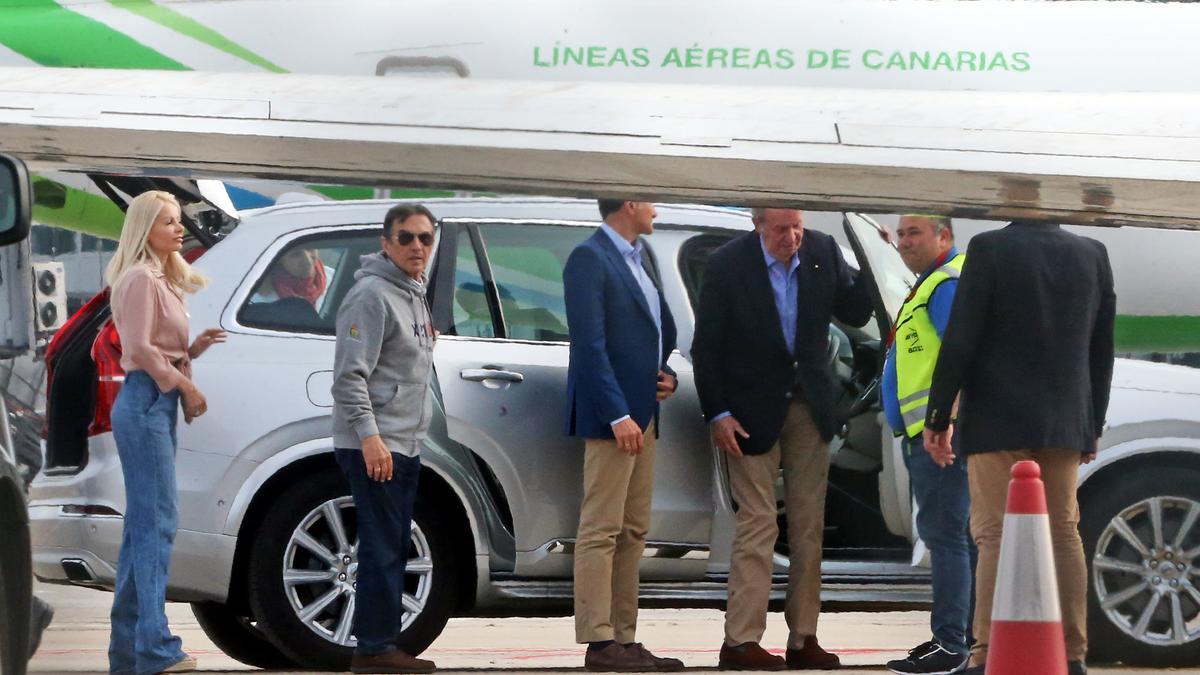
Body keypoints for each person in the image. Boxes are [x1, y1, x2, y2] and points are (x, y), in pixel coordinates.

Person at [923, 219, 1116, 675]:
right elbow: (1100, 347)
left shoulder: (989, 248)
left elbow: (962, 337)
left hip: (996, 416)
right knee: (1063, 532)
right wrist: (1092, 423)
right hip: (1065, 418)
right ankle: (1072, 654)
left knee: (993, 534)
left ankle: (987, 652)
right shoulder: (1092, 253)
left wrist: (937, 416)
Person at [692, 207, 872, 671]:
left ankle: (803, 638)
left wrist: (875, 259)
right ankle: (741, 641)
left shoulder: (822, 250)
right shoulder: (729, 264)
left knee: (809, 526)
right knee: (758, 523)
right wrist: (719, 413)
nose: (791, 237)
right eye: (779, 229)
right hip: (749, 411)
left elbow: (856, 309)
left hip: (810, 407)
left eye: (797, 226)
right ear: (757, 226)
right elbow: (706, 346)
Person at [105, 190, 226, 674]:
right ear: (145, 229)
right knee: (155, 524)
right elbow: (137, 349)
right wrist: (183, 385)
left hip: (154, 402)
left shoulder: (159, 278)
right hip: (146, 402)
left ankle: (130, 652)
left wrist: (191, 351)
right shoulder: (139, 278)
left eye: (179, 221)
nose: (179, 229)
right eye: (169, 223)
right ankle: (153, 648)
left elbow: (156, 346)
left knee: (145, 528)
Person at [564, 199, 682, 672]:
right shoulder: (589, 258)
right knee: (602, 528)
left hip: (645, 413)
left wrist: (665, 374)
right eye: (651, 200)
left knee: (634, 529)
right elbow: (588, 345)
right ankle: (598, 640)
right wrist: (616, 414)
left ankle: (624, 638)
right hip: (613, 419)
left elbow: (656, 330)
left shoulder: (639, 256)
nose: (658, 208)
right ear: (629, 203)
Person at [332, 204, 439, 674]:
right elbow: (349, 378)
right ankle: (374, 650)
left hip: (405, 441)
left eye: (425, 238)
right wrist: (371, 439)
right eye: (406, 237)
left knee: (392, 545)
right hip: (377, 445)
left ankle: (380, 645)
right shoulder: (371, 295)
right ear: (385, 242)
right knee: (379, 547)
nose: (417, 246)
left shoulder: (413, 293)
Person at [880, 216, 973, 675]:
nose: (904, 242)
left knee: (947, 536)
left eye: (914, 232)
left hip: (939, 436)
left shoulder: (945, 285)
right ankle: (961, 637)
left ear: (945, 236)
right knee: (953, 535)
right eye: (900, 234)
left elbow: (961, 355)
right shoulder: (931, 283)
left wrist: (946, 422)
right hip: (928, 432)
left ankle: (953, 643)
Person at [251, 246, 328, 306]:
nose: (307, 260)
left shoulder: (336, 280)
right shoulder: (262, 297)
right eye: (295, 254)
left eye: (309, 248)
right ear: (279, 261)